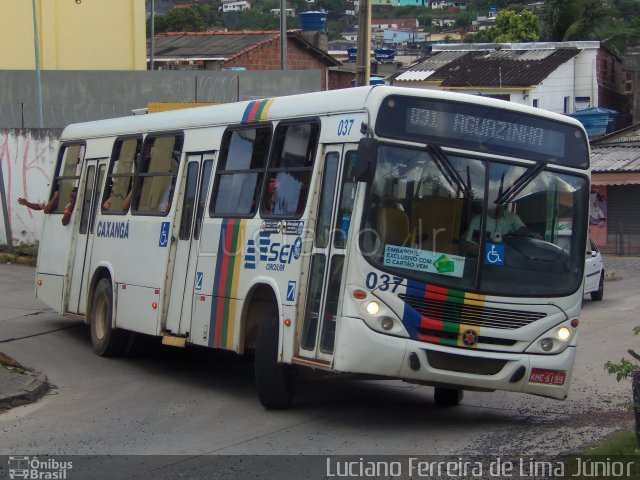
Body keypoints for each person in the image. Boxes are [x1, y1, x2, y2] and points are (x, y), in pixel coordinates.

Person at [466, 205, 537, 243]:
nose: (496, 204)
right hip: (482, 263)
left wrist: (532, 234)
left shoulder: (512, 217)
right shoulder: (477, 221)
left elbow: (522, 229)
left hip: (508, 261)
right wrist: (487, 252)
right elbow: (470, 245)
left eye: (499, 201)